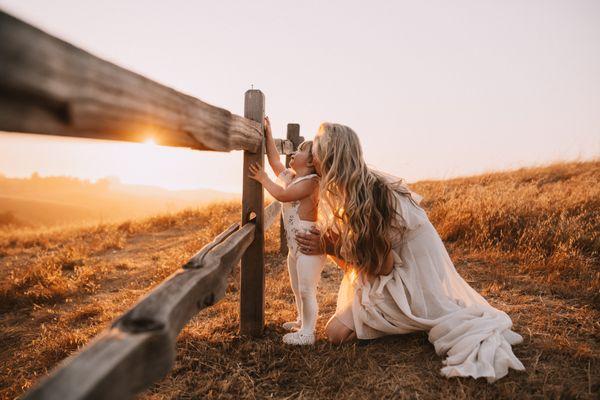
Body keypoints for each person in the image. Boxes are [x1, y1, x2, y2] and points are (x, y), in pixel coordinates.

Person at [295, 122, 525, 382]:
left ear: (330, 157)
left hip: (412, 274)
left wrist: (329, 246)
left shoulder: (368, 194)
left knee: (336, 333)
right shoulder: (355, 184)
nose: (312, 155)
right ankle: (398, 318)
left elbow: (384, 265)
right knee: (338, 329)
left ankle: (410, 319)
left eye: (316, 149)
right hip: (405, 266)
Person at [248, 116, 326, 345]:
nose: (293, 154)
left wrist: (263, 179)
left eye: (300, 150)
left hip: (308, 245)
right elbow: (274, 161)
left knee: (306, 289)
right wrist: (268, 134)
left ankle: (308, 333)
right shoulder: (292, 177)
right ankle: (302, 320)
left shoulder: (311, 182)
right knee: (295, 286)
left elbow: (282, 195)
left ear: (311, 162)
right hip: (295, 247)